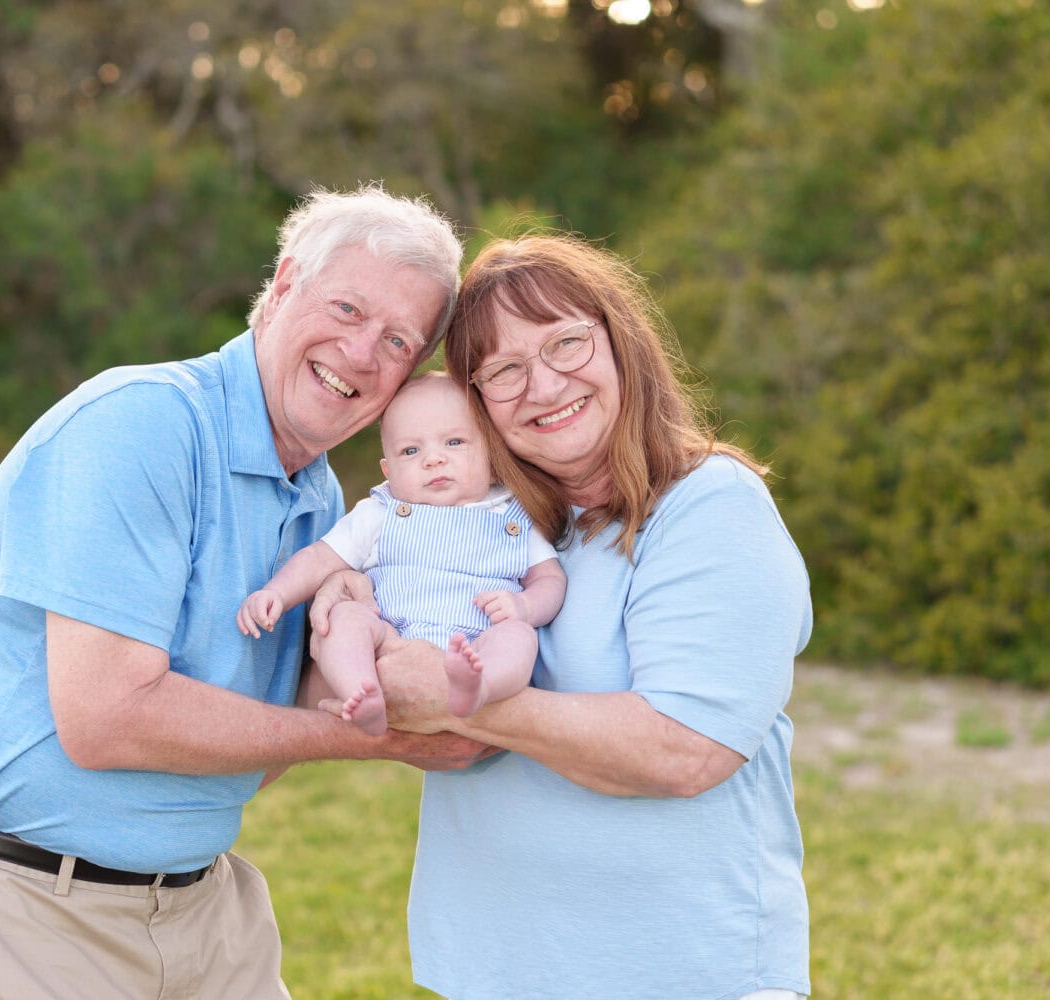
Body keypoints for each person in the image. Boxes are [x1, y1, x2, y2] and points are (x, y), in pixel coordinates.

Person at [0, 185, 485, 1000]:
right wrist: (378, 741)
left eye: (397, 340)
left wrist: (404, 674)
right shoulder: (144, 426)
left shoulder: (323, 508)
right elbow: (106, 718)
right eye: (345, 308)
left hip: (203, 911)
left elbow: (258, 745)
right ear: (280, 288)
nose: (360, 351)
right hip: (24, 907)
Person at [315, 234, 814, 999]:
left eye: (566, 344)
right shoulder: (490, 528)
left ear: (622, 345)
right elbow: (362, 664)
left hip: (674, 972)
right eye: (504, 372)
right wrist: (336, 600)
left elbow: (686, 752)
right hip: (494, 967)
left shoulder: (709, 505)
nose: (543, 386)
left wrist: (466, 703)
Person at [237, 372, 567, 736]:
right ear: (388, 471)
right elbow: (320, 557)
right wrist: (277, 593)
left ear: (492, 456)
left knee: (518, 637)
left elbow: (549, 579)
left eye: (455, 442)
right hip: (389, 638)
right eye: (411, 451)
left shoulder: (514, 518)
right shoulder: (380, 512)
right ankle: (362, 692)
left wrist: (524, 607)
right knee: (343, 618)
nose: (433, 460)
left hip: (478, 641)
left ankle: (480, 688)